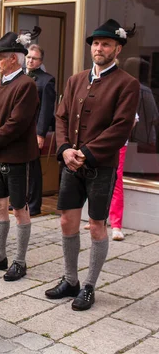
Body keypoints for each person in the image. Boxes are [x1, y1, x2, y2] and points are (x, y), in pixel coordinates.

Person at [46, 19, 139, 311]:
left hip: (101, 166)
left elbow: (121, 127)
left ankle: (89, 286)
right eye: (96, 44)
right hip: (71, 164)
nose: (99, 48)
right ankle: (71, 280)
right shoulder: (76, 79)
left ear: (117, 49)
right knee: (66, 221)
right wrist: (63, 150)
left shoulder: (127, 83)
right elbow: (60, 117)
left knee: (97, 226)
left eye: (106, 44)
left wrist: (85, 151)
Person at [0, 27, 40, 282]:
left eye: (0, 57)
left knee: (20, 208)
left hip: (17, 157)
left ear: (14, 57)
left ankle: (20, 261)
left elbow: (18, 122)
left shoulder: (27, 85)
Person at [25, 44, 57, 217]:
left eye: (34, 58)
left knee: (33, 169)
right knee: (20, 168)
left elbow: (46, 109)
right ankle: (20, 201)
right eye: (28, 57)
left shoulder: (47, 80)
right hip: (19, 130)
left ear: (40, 61)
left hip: (34, 130)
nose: (30, 60)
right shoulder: (19, 76)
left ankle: (34, 205)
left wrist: (40, 133)